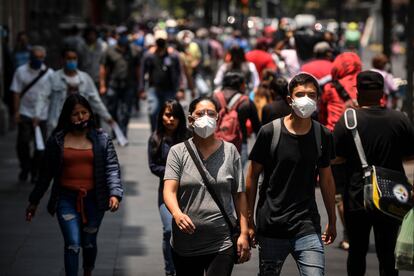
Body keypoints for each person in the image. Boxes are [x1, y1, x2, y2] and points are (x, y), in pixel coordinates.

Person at [246, 73, 337, 276]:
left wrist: (332, 219)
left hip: (307, 225)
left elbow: (327, 179)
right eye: (300, 94)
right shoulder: (270, 132)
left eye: (311, 95)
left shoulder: (323, 135)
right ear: (289, 99)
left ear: (318, 99)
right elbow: (251, 177)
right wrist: (249, 221)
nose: (306, 99)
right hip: (271, 226)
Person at [25, 94, 123, 276]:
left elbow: (112, 168)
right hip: (66, 200)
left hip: (94, 200)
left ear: (90, 114)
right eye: (75, 114)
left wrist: (115, 194)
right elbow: (45, 174)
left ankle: (87, 270)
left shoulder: (102, 139)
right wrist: (34, 201)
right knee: (73, 243)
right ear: (67, 117)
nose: (80, 117)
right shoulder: (57, 140)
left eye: (84, 112)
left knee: (89, 242)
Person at [333, 70, 414, 276]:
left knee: (357, 252)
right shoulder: (399, 119)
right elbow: (409, 156)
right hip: (391, 195)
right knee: (387, 254)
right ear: (382, 93)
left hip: (358, 195)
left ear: (358, 92)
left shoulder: (348, 119)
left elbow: (336, 157)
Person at [163, 96, 251, 276]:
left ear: (217, 119)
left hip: (221, 242)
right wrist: (177, 213)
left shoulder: (230, 151)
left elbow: (239, 195)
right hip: (185, 244)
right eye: (200, 113)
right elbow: (169, 191)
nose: (205, 117)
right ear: (190, 119)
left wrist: (243, 233)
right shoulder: (177, 152)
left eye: (211, 114)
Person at [147, 100, 190, 276]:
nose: (171, 119)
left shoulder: (189, 136)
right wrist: (173, 174)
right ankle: (170, 269)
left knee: (187, 232)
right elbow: (153, 166)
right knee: (168, 230)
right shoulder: (156, 138)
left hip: (189, 192)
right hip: (166, 192)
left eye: (175, 116)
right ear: (161, 116)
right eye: (167, 115)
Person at [36, 48, 113, 136]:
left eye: (74, 58)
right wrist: (37, 115)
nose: (71, 61)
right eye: (69, 58)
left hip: (80, 125)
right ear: (62, 60)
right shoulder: (54, 78)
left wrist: (107, 117)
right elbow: (42, 97)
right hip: (57, 124)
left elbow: (96, 100)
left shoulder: (85, 78)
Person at [10, 45, 54, 182]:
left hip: (42, 115)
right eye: (36, 57)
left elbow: (53, 96)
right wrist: (16, 112)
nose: (39, 60)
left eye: (41, 57)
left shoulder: (49, 73)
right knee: (22, 143)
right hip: (25, 112)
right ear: (30, 57)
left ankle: (35, 172)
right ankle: (25, 167)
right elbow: (16, 93)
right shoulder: (20, 71)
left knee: (40, 147)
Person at [213, 72, 261, 166]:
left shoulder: (214, 98)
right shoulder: (246, 102)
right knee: (236, 176)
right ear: (241, 85)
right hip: (239, 146)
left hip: (215, 144)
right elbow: (257, 128)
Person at [100, 29, 141, 137]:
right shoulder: (109, 50)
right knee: (112, 109)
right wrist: (103, 84)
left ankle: (123, 132)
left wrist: (140, 86)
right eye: (120, 35)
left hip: (129, 85)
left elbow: (138, 69)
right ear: (116, 36)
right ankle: (115, 130)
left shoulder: (134, 50)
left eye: (125, 35)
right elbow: (103, 68)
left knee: (126, 111)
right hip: (113, 85)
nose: (123, 37)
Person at [139, 29, 181, 131]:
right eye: (159, 41)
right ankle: (155, 132)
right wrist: (141, 89)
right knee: (153, 111)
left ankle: (167, 134)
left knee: (169, 112)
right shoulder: (149, 56)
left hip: (169, 89)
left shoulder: (173, 55)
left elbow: (179, 73)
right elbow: (142, 72)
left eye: (162, 41)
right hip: (154, 88)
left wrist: (181, 89)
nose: (160, 43)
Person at [319, 52, 362, 131]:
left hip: (334, 133)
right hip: (361, 133)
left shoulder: (330, 88)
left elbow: (322, 115)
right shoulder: (364, 86)